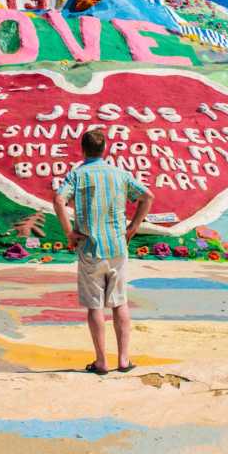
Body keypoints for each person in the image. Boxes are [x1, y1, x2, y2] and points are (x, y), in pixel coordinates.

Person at [52, 129, 154, 375]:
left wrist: (69, 232)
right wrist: (134, 227)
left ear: (82, 149)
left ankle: (101, 362)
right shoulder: (118, 174)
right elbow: (147, 196)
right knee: (120, 303)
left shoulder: (77, 175)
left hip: (90, 248)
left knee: (95, 306)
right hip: (117, 246)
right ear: (104, 148)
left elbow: (58, 200)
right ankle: (123, 359)